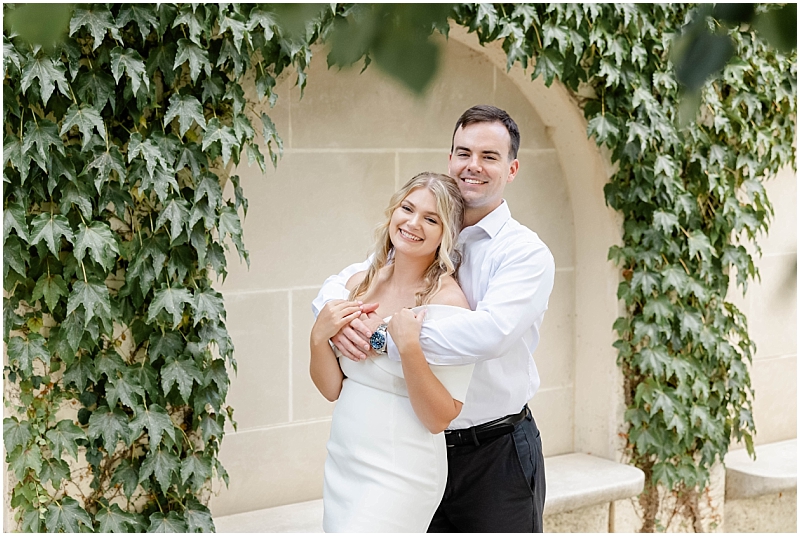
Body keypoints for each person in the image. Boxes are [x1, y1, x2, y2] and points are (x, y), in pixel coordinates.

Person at [312, 105, 556, 532]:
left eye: (489, 156)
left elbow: (485, 336)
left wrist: (380, 338)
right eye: (463, 152)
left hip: (491, 451)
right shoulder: (418, 233)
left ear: (512, 168)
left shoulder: (524, 254)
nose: (473, 166)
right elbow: (339, 285)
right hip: (408, 444)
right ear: (450, 159)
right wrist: (335, 325)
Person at [310, 172, 475, 532]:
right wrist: (318, 337)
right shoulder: (361, 284)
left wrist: (409, 347)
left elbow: (440, 418)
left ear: (445, 234)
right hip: (345, 459)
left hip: (402, 470)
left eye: (431, 219)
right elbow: (332, 389)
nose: (413, 223)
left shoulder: (448, 303)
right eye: (408, 208)